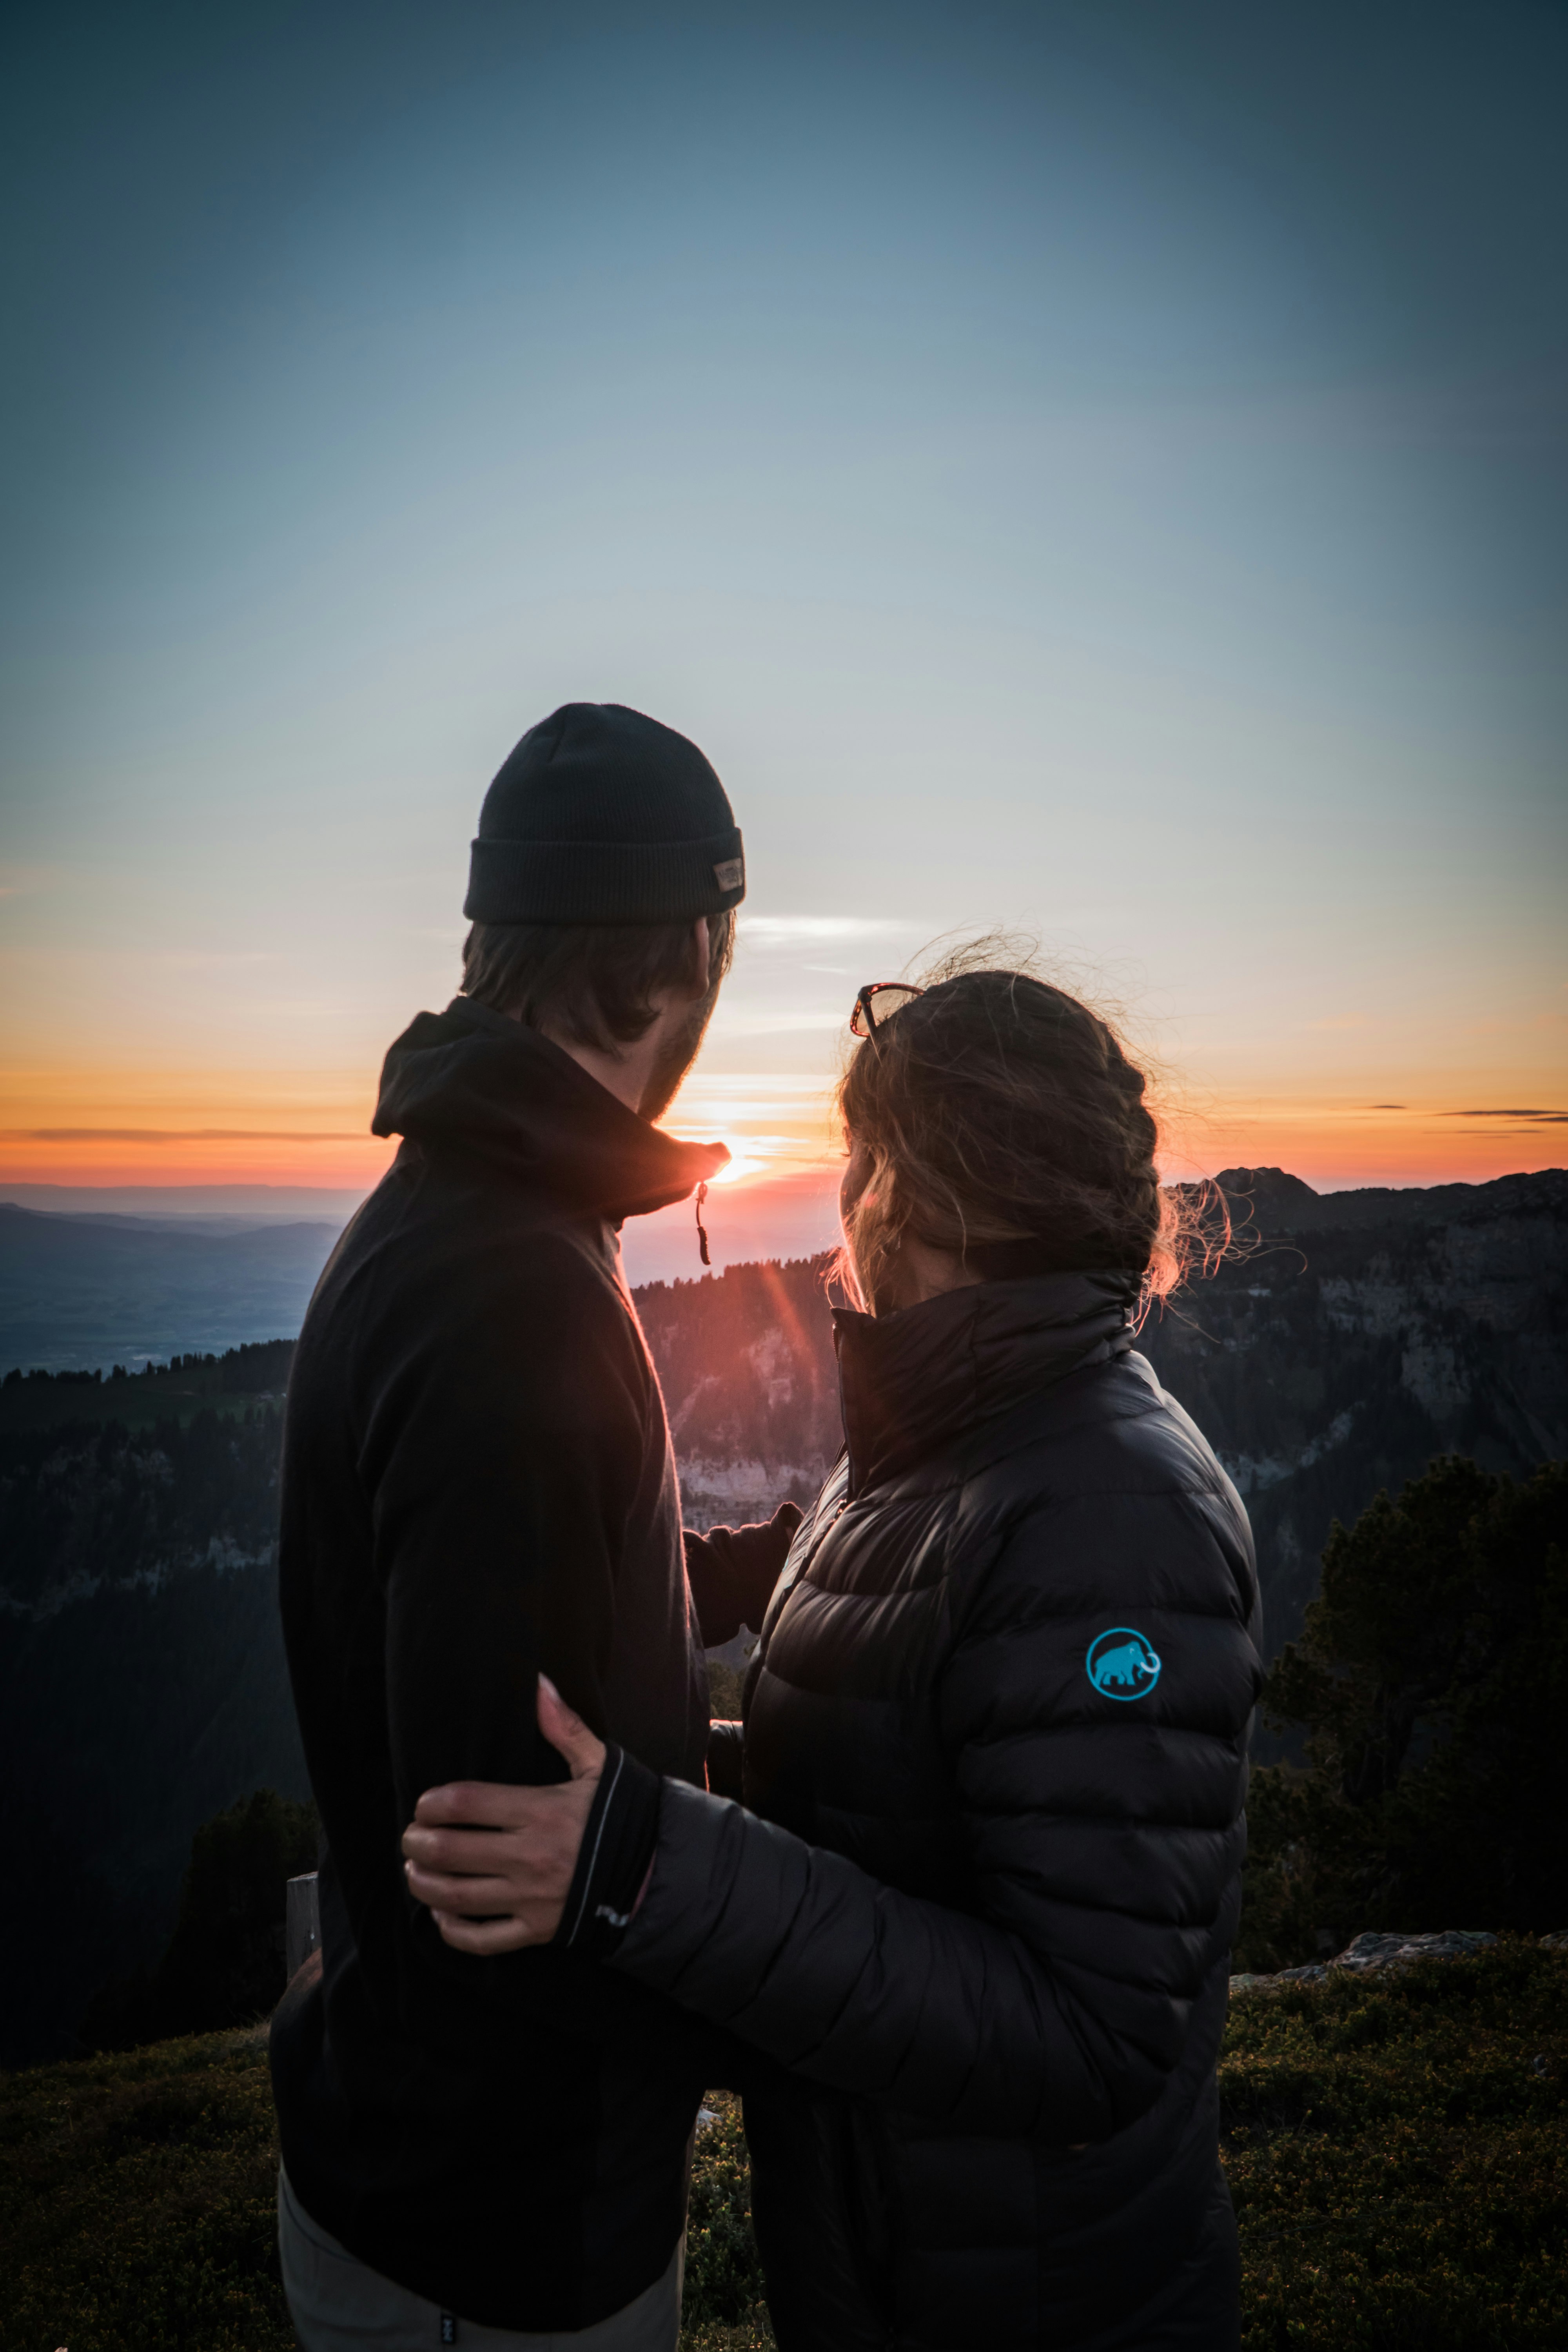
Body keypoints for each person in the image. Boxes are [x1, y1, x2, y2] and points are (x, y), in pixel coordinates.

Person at [401, 960, 1265, 2352]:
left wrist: (641, 1858)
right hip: (902, 2265)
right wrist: (633, 1688)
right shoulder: (958, 1434)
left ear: (919, 1194)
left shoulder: (1114, 1518)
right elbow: (888, 1799)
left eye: (858, 1157)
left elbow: (1088, 2033)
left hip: (1032, 2307)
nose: (840, 1197)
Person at [270, 701, 800, 2350]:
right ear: (678, 968)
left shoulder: (468, 1216)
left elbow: (545, 1614)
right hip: (497, 2242)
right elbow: (496, 1861)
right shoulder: (510, 1293)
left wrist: (765, 1563)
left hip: (446, 2183)